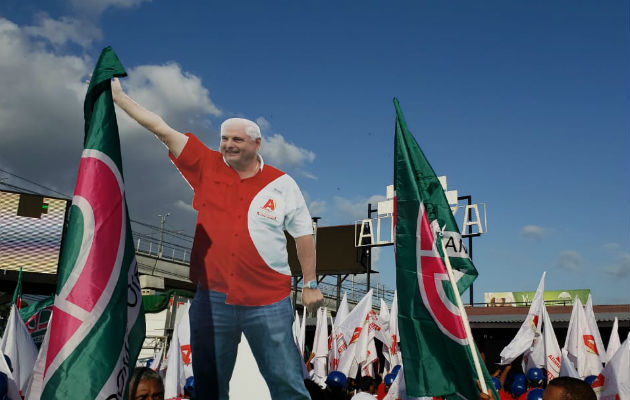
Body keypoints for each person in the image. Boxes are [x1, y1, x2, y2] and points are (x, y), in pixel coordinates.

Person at [112, 78, 324, 400]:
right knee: (209, 388)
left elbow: (303, 235)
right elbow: (161, 129)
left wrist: (309, 284)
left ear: (257, 144)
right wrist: (119, 98)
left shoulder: (282, 183)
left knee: (287, 385)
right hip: (213, 300)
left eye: (237, 139)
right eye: (224, 138)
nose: (228, 145)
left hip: (268, 300)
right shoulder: (205, 165)